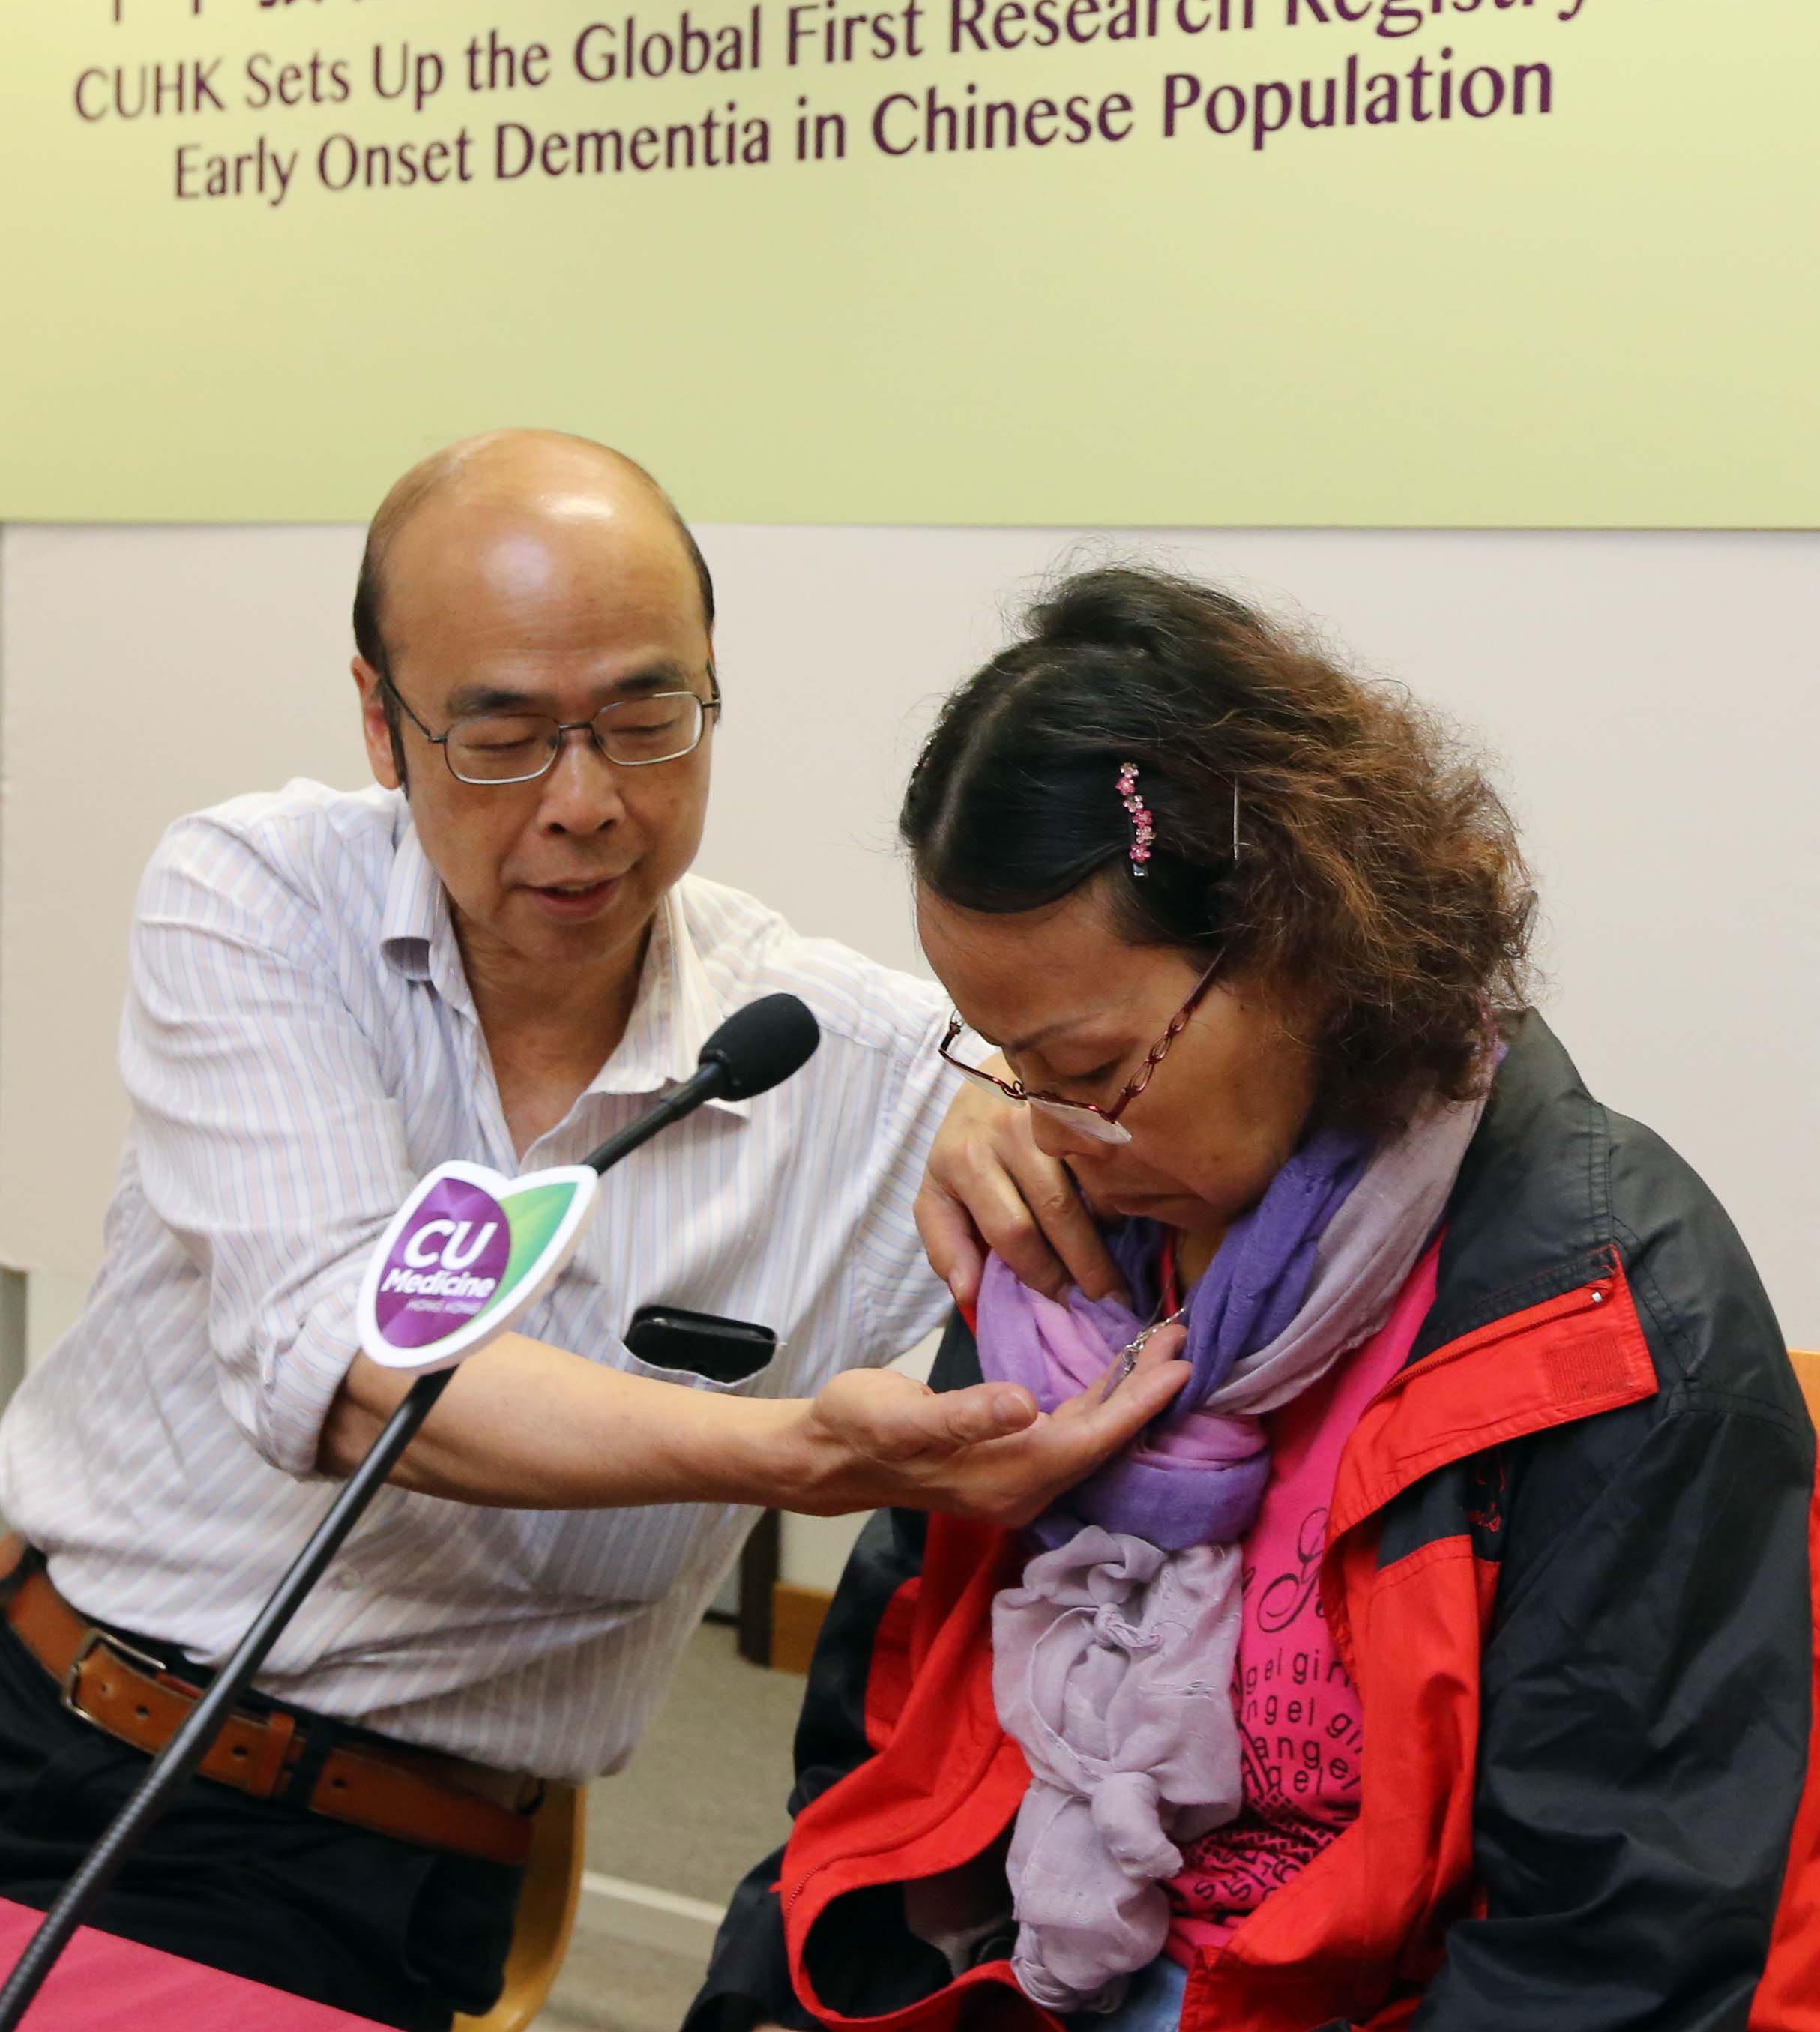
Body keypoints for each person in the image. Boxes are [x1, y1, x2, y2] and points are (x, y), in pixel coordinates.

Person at [0, 437, 1184, 2031]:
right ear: (381, 722)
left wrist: (1024, 1078)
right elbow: (354, 1372)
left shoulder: (841, 1056)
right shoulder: (258, 897)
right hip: (47, 1722)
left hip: (381, 1873)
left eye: (645, 723)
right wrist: (790, 1457)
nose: (584, 806)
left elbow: (1170, 1123)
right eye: (501, 738)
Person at [690, 564, 1819, 2032]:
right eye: (1006, 1067)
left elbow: (1608, 1951)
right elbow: (882, 1761)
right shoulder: (1061, 1246)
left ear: (1294, 943)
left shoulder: (1607, 1324)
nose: (1048, 1128)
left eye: (1090, 1071)